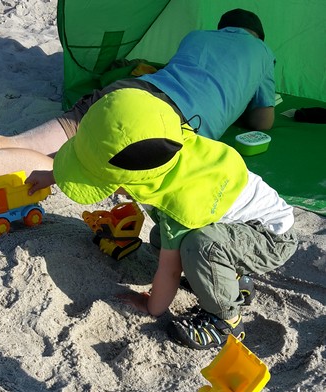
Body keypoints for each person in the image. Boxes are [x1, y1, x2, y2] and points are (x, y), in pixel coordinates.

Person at [0, 8, 276, 214]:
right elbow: (263, 120)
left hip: (128, 94)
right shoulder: (262, 53)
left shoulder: (198, 36)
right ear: (257, 35)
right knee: (58, 166)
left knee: (20, 142)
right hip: (164, 126)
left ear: (222, 28)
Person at [26, 87, 297, 351]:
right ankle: (228, 280)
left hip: (269, 238)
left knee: (200, 247)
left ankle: (225, 321)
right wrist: (54, 174)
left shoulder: (180, 202)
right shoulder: (166, 144)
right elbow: (91, 154)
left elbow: (169, 271)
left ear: (131, 181)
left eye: (105, 184)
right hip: (235, 227)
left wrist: (150, 305)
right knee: (163, 239)